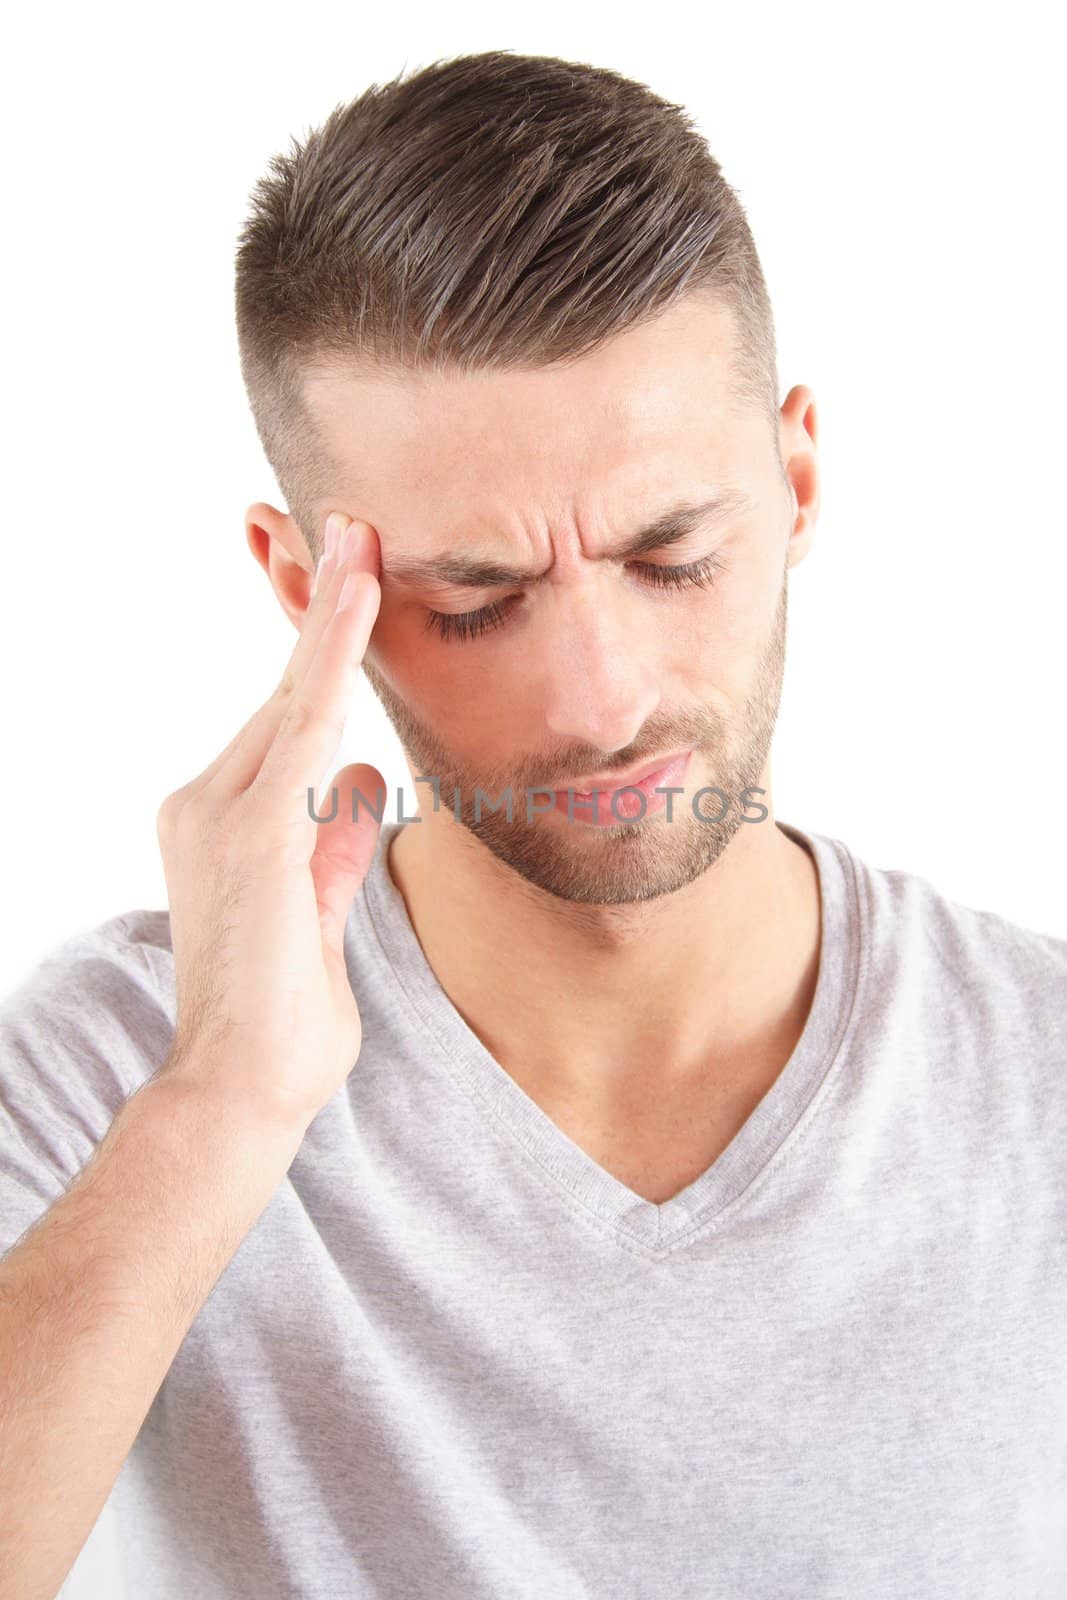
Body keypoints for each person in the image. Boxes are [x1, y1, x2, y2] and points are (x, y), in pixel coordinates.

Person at [1, 47, 1065, 1600]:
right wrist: (223, 1102)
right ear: (310, 590)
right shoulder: (122, 1072)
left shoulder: (1042, 1075)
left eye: (672, 551)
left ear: (798, 478)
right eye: (474, 600)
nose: (600, 698)